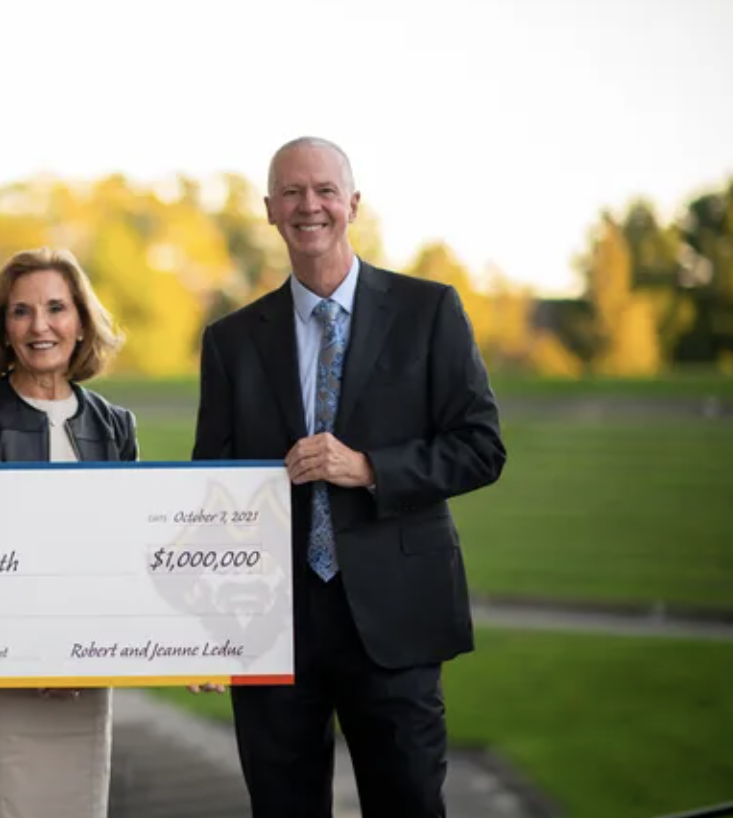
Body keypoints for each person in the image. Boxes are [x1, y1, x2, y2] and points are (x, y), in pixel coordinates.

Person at [192, 137, 507, 818]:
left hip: (397, 619)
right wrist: (210, 629)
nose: (311, 206)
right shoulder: (232, 341)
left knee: (410, 806)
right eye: (293, 193)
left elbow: (481, 447)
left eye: (325, 190)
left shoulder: (430, 312)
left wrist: (367, 468)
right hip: (273, 627)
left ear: (353, 204)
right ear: (271, 209)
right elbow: (212, 489)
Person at [0, 247, 137, 818]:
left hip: (84, 671)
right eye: (21, 312)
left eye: (56, 307)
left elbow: (125, 552)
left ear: (80, 322)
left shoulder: (114, 425)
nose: (40, 325)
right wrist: (34, 653)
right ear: (3, 328)